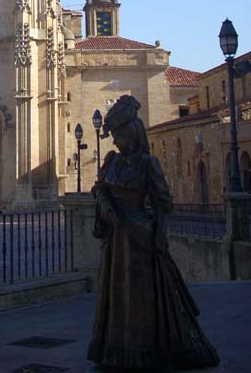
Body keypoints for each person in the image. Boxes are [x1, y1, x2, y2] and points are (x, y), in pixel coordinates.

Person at [87, 95, 220, 370]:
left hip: (141, 241)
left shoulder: (148, 164)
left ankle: (148, 350)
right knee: (119, 295)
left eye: (119, 135)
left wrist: (159, 234)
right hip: (118, 242)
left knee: (145, 296)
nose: (114, 141)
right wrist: (106, 206)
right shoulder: (111, 162)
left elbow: (164, 203)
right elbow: (100, 188)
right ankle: (118, 350)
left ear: (132, 134)